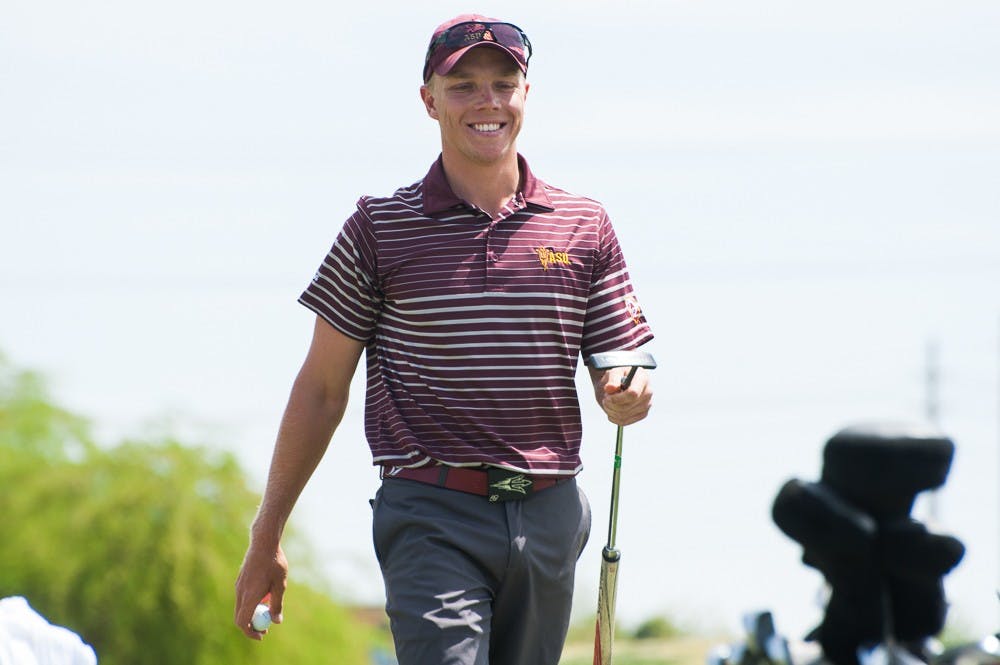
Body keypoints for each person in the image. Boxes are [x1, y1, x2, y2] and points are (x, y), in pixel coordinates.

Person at [234, 13, 655, 665]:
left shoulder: (584, 224)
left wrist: (627, 389)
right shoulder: (378, 227)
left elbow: (620, 359)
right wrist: (267, 534)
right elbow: (320, 389)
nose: (487, 101)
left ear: (525, 94)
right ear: (429, 100)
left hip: (550, 511)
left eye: (503, 84)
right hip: (430, 511)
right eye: (463, 87)